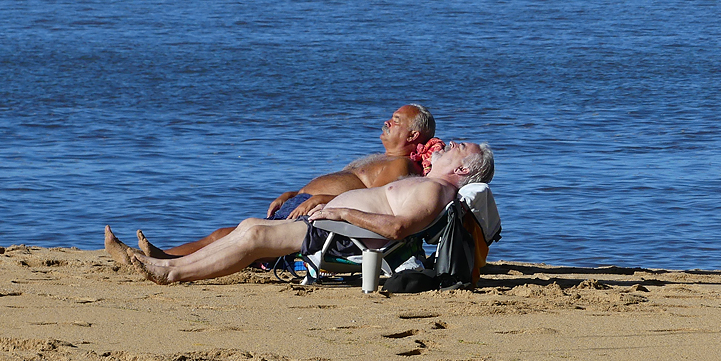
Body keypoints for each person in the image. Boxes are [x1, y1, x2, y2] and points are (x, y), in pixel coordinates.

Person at [106, 141, 494, 285]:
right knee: (249, 226)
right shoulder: (430, 185)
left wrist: (342, 212)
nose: (453, 143)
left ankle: (170, 271)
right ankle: (172, 263)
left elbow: (395, 228)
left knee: (257, 237)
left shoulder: (434, 189)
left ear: (461, 170)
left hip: (343, 235)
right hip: (335, 225)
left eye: (462, 147)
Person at [136, 104, 442, 258]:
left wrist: (322, 201)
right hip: (303, 205)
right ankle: (160, 256)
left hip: (320, 219)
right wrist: (292, 192)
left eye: (397, 121)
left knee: (225, 236)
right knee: (226, 234)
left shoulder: (401, 165)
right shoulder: (383, 159)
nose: (387, 122)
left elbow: (378, 203)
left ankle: (160, 258)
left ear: (413, 135)